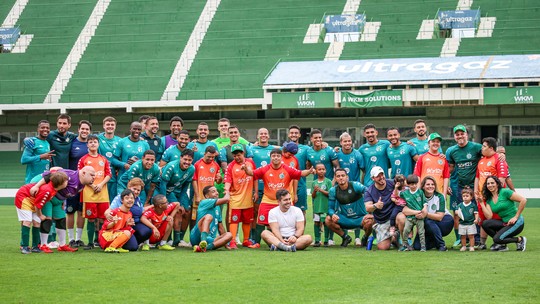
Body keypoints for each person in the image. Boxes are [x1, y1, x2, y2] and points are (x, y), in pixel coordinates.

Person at [243, 148, 313, 230]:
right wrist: (246, 169)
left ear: (281, 157)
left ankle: (285, 240)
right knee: (262, 223)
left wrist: (309, 171)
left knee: (287, 223)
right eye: (273, 156)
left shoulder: (288, 169)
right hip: (268, 200)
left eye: (278, 156)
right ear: (270, 158)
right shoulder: (264, 169)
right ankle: (258, 242)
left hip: (283, 201)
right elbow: (251, 173)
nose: (276, 158)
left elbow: (301, 173)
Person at [446, 124, 482, 247]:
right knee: (461, 213)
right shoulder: (451, 151)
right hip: (460, 188)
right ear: (454, 136)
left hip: (475, 187)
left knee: (475, 212)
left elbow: (489, 152)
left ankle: (476, 239)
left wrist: (500, 152)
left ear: (467, 134)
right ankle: (463, 239)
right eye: (457, 134)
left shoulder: (476, 147)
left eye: (462, 133)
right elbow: (449, 169)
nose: (460, 136)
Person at [15, 172, 68, 254]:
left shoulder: (53, 188)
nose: (67, 182)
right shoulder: (47, 190)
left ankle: (35, 246)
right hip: (24, 197)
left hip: (34, 201)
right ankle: (24, 246)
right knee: (27, 221)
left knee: (37, 223)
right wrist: (40, 215)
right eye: (65, 181)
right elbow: (38, 206)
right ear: (60, 183)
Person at [77, 134, 112, 250]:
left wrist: (101, 185)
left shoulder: (103, 159)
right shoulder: (83, 159)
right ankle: (90, 242)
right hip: (88, 192)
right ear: (87, 144)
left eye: (95, 142)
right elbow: (80, 174)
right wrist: (92, 185)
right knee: (91, 218)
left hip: (102, 192)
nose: (92, 143)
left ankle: (101, 241)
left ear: (98, 144)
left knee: (103, 218)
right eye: (90, 142)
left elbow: (108, 174)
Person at [325, 168, 374, 247]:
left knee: (370, 221)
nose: (341, 178)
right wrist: (332, 214)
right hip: (345, 219)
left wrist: (370, 211)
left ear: (347, 177)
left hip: (360, 218)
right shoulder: (333, 191)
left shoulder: (355, 185)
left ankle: (365, 238)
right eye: (338, 176)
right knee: (328, 220)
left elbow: (369, 192)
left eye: (343, 175)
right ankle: (345, 237)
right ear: (335, 178)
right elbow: (330, 208)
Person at [474, 137, 507, 249]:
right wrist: (476, 191)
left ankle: (500, 241)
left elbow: (501, 180)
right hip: (482, 196)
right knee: (483, 220)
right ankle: (482, 243)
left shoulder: (499, 159)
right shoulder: (481, 161)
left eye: (484, 146)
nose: (481, 148)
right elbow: (477, 177)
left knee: (496, 219)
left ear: (491, 148)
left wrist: (493, 195)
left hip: (493, 197)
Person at [224, 144, 258, 249]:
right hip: (235, 198)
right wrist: (227, 192)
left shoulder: (250, 162)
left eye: (238, 155)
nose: (237, 157)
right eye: (234, 156)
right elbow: (228, 180)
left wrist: (256, 192)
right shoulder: (230, 166)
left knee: (247, 220)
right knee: (234, 220)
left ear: (243, 153)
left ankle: (246, 240)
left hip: (248, 197)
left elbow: (255, 176)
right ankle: (233, 241)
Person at [405, 176, 453, 251]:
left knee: (427, 221)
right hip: (428, 225)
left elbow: (440, 217)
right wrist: (416, 212)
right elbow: (405, 210)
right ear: (423, 186)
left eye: (432, 184)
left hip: (445, 221)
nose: (430, 186)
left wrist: (425, 214)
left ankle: (441, 245)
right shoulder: (417, 196)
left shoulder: (440, 197)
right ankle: (435, 241)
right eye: (428, 184)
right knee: (417, 246)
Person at [480, 176, 527, 252]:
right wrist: (482, 203)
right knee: (485, 223)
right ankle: (501, 245)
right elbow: (489, 216)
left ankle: (520, 240)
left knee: (497, 239)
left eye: (492, 183)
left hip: (516, 222)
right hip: (505, 222)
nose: (490, 185)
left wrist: (516, 217)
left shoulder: (505, 192)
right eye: (488, 183)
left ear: (497, 184)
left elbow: (523, 200)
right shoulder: (489, 199)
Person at [159, 149, 195, 247]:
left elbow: (185, 186)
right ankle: (173, 240)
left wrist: (182, 202)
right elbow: (163, 185)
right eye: (185, 159)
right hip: (166, 191)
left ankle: (181, 238)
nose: (187, 162)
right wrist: (164, 201)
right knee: (178, 210)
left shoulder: (192, 169)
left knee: (187, 210)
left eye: (189, 160)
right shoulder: (171, 166)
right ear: (180, 158)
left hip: (179, 192)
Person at [65, 120, 91, 248]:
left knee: (82, 212)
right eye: (83, 129)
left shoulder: (92, 144)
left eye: (87, 129)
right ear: (78, 130)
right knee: (70, 211)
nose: (85, 131)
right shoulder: (72, 142)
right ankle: (70, 239)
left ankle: (79, 238)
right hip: (72, 183)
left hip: (86, 185)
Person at [336, 132, 365, 245]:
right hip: (341, 188)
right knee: (343, 212)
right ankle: (345, 236)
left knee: (357, 213)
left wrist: (360, 184)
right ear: (341, 142)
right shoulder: (337, 154)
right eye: (345, 141)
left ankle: (358, 237)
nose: (347, 143)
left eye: (349, 141)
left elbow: (363, 170)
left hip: (354, 188)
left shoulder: (357, 154)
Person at [104, 178, 146, 251]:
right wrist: (107, 214)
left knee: (146, 231)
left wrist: (153, 206)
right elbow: (109, 210)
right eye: (134, 189)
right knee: (133, 247)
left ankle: (133, 241)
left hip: (133, 224)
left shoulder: (138, 199)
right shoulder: (120, 197)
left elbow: (142, 210)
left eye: (138, 190)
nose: (136, 191)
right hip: (121, 226)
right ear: (129, 187)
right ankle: (113, 245)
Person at [364, 166, 401, 250]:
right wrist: (375, 205)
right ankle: (393, 238)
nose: (381, 177)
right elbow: (367, 208)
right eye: (378, 176)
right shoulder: (369, 191)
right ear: (373, 178)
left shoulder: (392, 183)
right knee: (383, 247)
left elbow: (405, 189)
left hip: (395, 216)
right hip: (382, 220)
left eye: (382, 174)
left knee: (401, 217)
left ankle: (403, 239)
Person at [191, 186, 233, 252]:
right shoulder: (204, 202)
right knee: (209, 216)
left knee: (229, 235)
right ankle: (203, 241)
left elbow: (220, 227)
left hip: (210, 239)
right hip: (196, 235)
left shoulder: (218, 207)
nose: (217, 193)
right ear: (207, 196)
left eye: (217, 191)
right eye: (213, 191)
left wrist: (225, 243)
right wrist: (227, 192)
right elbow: (226, 200)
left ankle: (205, 247)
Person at [395, 174, 427, 252]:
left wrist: (424, 210)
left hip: (419, 217)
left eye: (415, 184)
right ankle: (405, 245)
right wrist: (396, 187)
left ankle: (423, 246)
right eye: (412, 184)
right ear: (408, 185)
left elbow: (425, 203)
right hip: (410, 217)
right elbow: (397, 194)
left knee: (421, 232)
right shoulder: (405, 193)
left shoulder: (420, 192)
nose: (414, 186)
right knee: (405, 230)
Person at [97, 116, 122, 203]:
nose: (110, 126)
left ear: (115, 126)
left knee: (113, 203)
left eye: (112, 124)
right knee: (100, 203)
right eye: (108, 124)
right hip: (100, 176)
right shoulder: (97, 139)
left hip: (114, 177)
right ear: (103, 126)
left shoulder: (120, 141)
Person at [311, 163, 332, 247]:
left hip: (325, 207)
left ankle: (326, 240)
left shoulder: (328, 181)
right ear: (316, 171)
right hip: (317, 207)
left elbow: (330, 194)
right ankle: (317, 240)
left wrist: (320, 190)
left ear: (325, 170)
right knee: (316, 222)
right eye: (319, 169)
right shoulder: (314, 182)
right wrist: (315, 191)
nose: (321, 171)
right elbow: (313, 196)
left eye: (323, 169)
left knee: (325, 223)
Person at [456, 186, 479, 252]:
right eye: (464, 196)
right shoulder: (460, 205)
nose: (465, 197)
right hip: (462, 223)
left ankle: (471, 246)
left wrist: (476, 219)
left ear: (471, 197)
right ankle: (464, 246)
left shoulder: (473, 205)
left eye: (467, 196)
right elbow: (457, 212)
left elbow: (476, 213)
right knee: (462, 236)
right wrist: (457, 212)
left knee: (471, 235)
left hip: (470, 223)